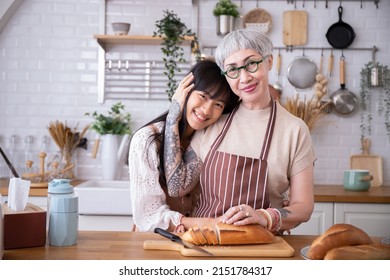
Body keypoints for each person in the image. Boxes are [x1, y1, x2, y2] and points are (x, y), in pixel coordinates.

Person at [164, 29, 316, 235]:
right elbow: (177, 187)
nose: (244, 78)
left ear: (269, 62)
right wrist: (173, 116)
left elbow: (303, 206)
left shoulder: (294, 130)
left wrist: (264, 216)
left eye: (251, 64)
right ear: (226, 75)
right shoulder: (213, 121)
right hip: (205, 243)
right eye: (232, 70)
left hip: (264, 248)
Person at [128, 59, 239, 232]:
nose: (207, 110)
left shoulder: (207, 138)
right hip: (159, 239)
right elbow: (148, 216)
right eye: (203, 96)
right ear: (185, 91)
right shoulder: (146, 140)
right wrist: (174, 115)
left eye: (218, 104)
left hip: (199, 238)